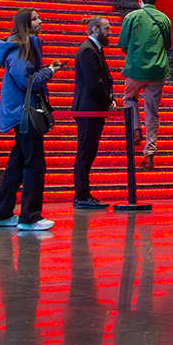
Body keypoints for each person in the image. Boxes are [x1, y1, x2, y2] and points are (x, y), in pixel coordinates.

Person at [0, 9, 60, 230]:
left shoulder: (19, 46)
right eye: (35, 18)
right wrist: (49, 71)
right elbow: (26, 80)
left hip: (20, 112)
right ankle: (30, 217)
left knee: (18, 163)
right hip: (25, 113)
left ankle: (2, 213)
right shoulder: (22, 47)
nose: (40, 21)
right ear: (25, 23)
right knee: (34, 164)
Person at [119, 0, 171, 167]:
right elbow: (168, 44)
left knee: (129, 99)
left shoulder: (132, 17)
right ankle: (149, 154)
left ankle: (135, 130)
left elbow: (122, 43)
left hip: (135, 69)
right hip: (158, 70)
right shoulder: (164, 18)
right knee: (152, 111)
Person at [71, 14, 113, 209]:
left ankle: (83, 194)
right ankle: (81, 195)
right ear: (95, 29)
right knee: (85, 152)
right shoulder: (88, 50)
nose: (109, 32)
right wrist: (108, 102)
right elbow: (93, 82)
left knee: (88, 152)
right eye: (106, 28)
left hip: (91, 109)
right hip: (88, 109)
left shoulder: (93, 49)